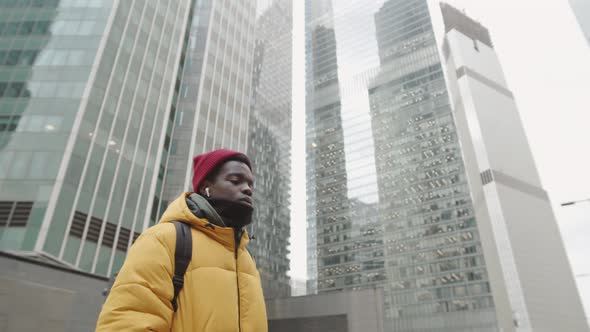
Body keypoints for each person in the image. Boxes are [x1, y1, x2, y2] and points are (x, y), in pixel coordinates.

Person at [96, 149, 268, 331]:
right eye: (235, 180)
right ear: (205, 187)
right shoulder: (163, 239)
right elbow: (127, 322)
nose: (247, 189)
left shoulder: (246, 258)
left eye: (250, 184)